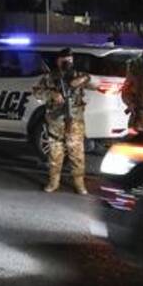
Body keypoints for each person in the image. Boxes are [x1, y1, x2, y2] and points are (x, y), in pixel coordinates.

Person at [33, 48, 92, 194]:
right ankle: (53, 183)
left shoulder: (78, 75)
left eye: (69, 59)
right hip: (55, 122)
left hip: (74, 121)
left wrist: (80, 80)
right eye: (63, 59)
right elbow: (36, 92)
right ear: (58, 61)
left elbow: (91, 80)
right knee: (55, 154)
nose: (67, 62)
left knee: (76, 154)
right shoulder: (49, 77)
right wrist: (51, 93)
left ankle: (79, 184)